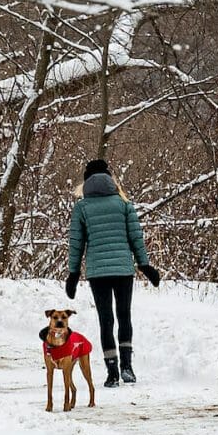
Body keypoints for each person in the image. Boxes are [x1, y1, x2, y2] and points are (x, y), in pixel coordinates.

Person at [64, 158, 161, 387]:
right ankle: (128, 367)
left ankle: (112, 372)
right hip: (122, 270)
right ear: (110, 179)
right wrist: (145, 265)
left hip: (98, 273)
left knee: (106, 319)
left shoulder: (82, 208)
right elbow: (136, 237)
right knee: (124, 315)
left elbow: (76, 243)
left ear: (86, 181)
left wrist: (73, 273)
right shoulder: (123, 204)